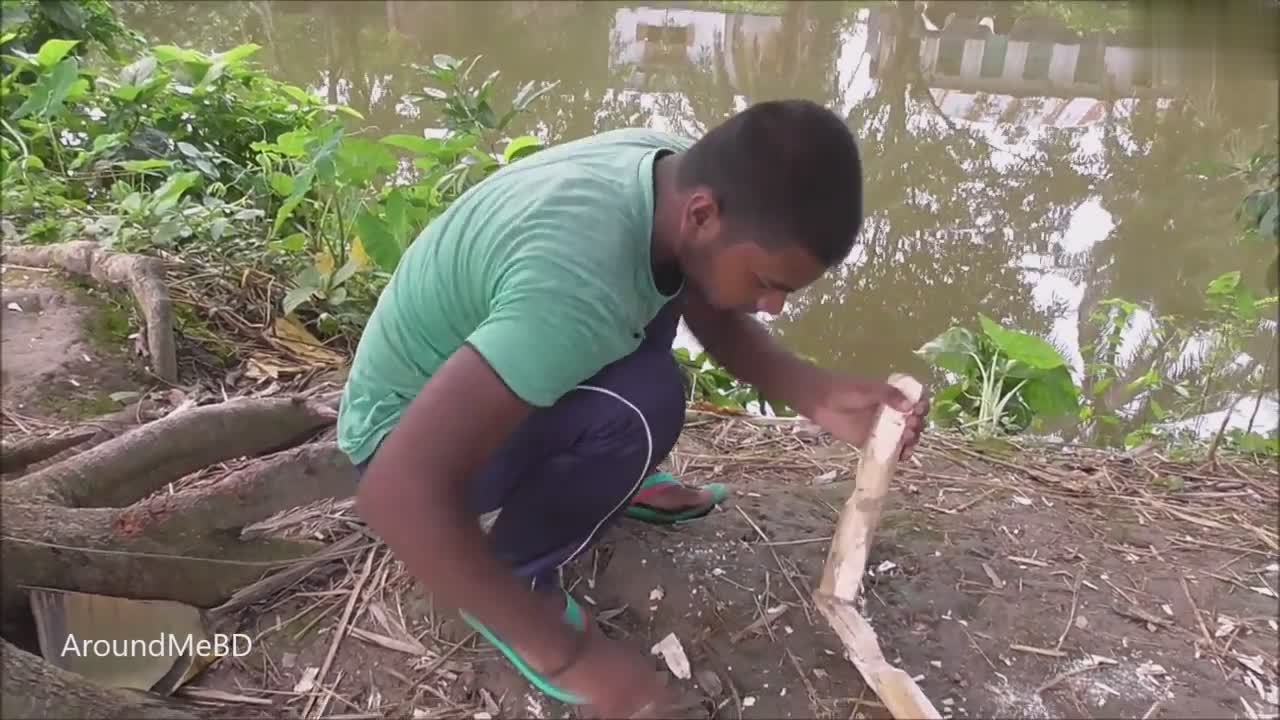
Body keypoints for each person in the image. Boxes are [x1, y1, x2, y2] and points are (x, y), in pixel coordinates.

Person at [338, 99, 930, 717]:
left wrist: (815, 392)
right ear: (702, 214)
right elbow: (396, 490)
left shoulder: (670, 172)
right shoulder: (576, 285)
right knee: (642, 410)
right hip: (403, 442)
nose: (774, 306)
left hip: (464, 380)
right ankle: (518, 574)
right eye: (766, 282)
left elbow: (697, 288)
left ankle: (605, 478)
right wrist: (570, 658)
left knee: (658, 306)